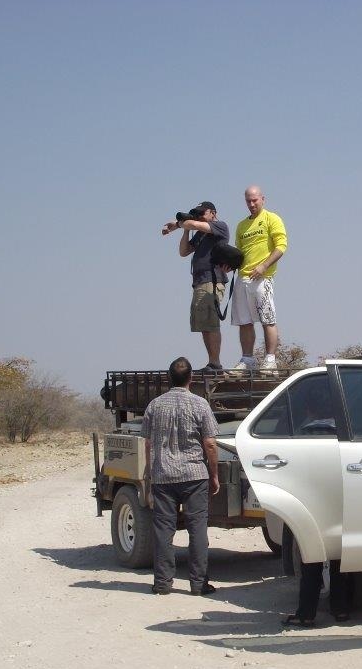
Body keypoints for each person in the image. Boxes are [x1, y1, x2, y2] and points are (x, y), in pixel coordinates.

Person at [140, 357, 220, 596]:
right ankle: (198, 584)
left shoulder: (154, 405)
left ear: (168, 378)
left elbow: (147, 443)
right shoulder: (200, 404)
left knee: (164, 530)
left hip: (163, 475)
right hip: (195, 475)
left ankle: (162, 584)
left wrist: (149, 471)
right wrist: (213, 474)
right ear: (191, 378)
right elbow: (211, 444)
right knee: (198, 529)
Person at [161, 203, 230, 371]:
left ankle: (215, 363)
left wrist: (179, 224)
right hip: (200, 281)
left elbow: (194, 224)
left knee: (210, 321)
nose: (198, 216)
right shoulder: (200, 234)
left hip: (212, 280)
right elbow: (183, 251)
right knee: (203, 324)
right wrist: (185, 229)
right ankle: (212, 362)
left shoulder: (219, 226)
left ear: (213, 213)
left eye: (202, 213)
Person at [229, 186, 287, 373]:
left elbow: (281, 246)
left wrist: (263, 266)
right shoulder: (241, 225)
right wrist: (228, 264)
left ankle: (270, 360)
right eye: (248, 201)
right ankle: (248, 359)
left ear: (263, 199)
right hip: (242, 278)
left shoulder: (272, 218)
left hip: (263, 278)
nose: (252, 204)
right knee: (244, 321)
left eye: (255, 200)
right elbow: (239, 253)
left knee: (268, 319)